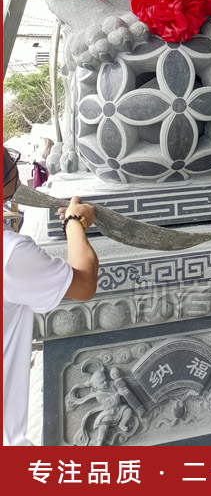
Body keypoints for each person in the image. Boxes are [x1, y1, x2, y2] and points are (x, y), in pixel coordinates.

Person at [3, 146, 100, 445]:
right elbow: (84, 284)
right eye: (8, 161)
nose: (13, 164)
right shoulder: (11, 253)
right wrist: (75, 223)